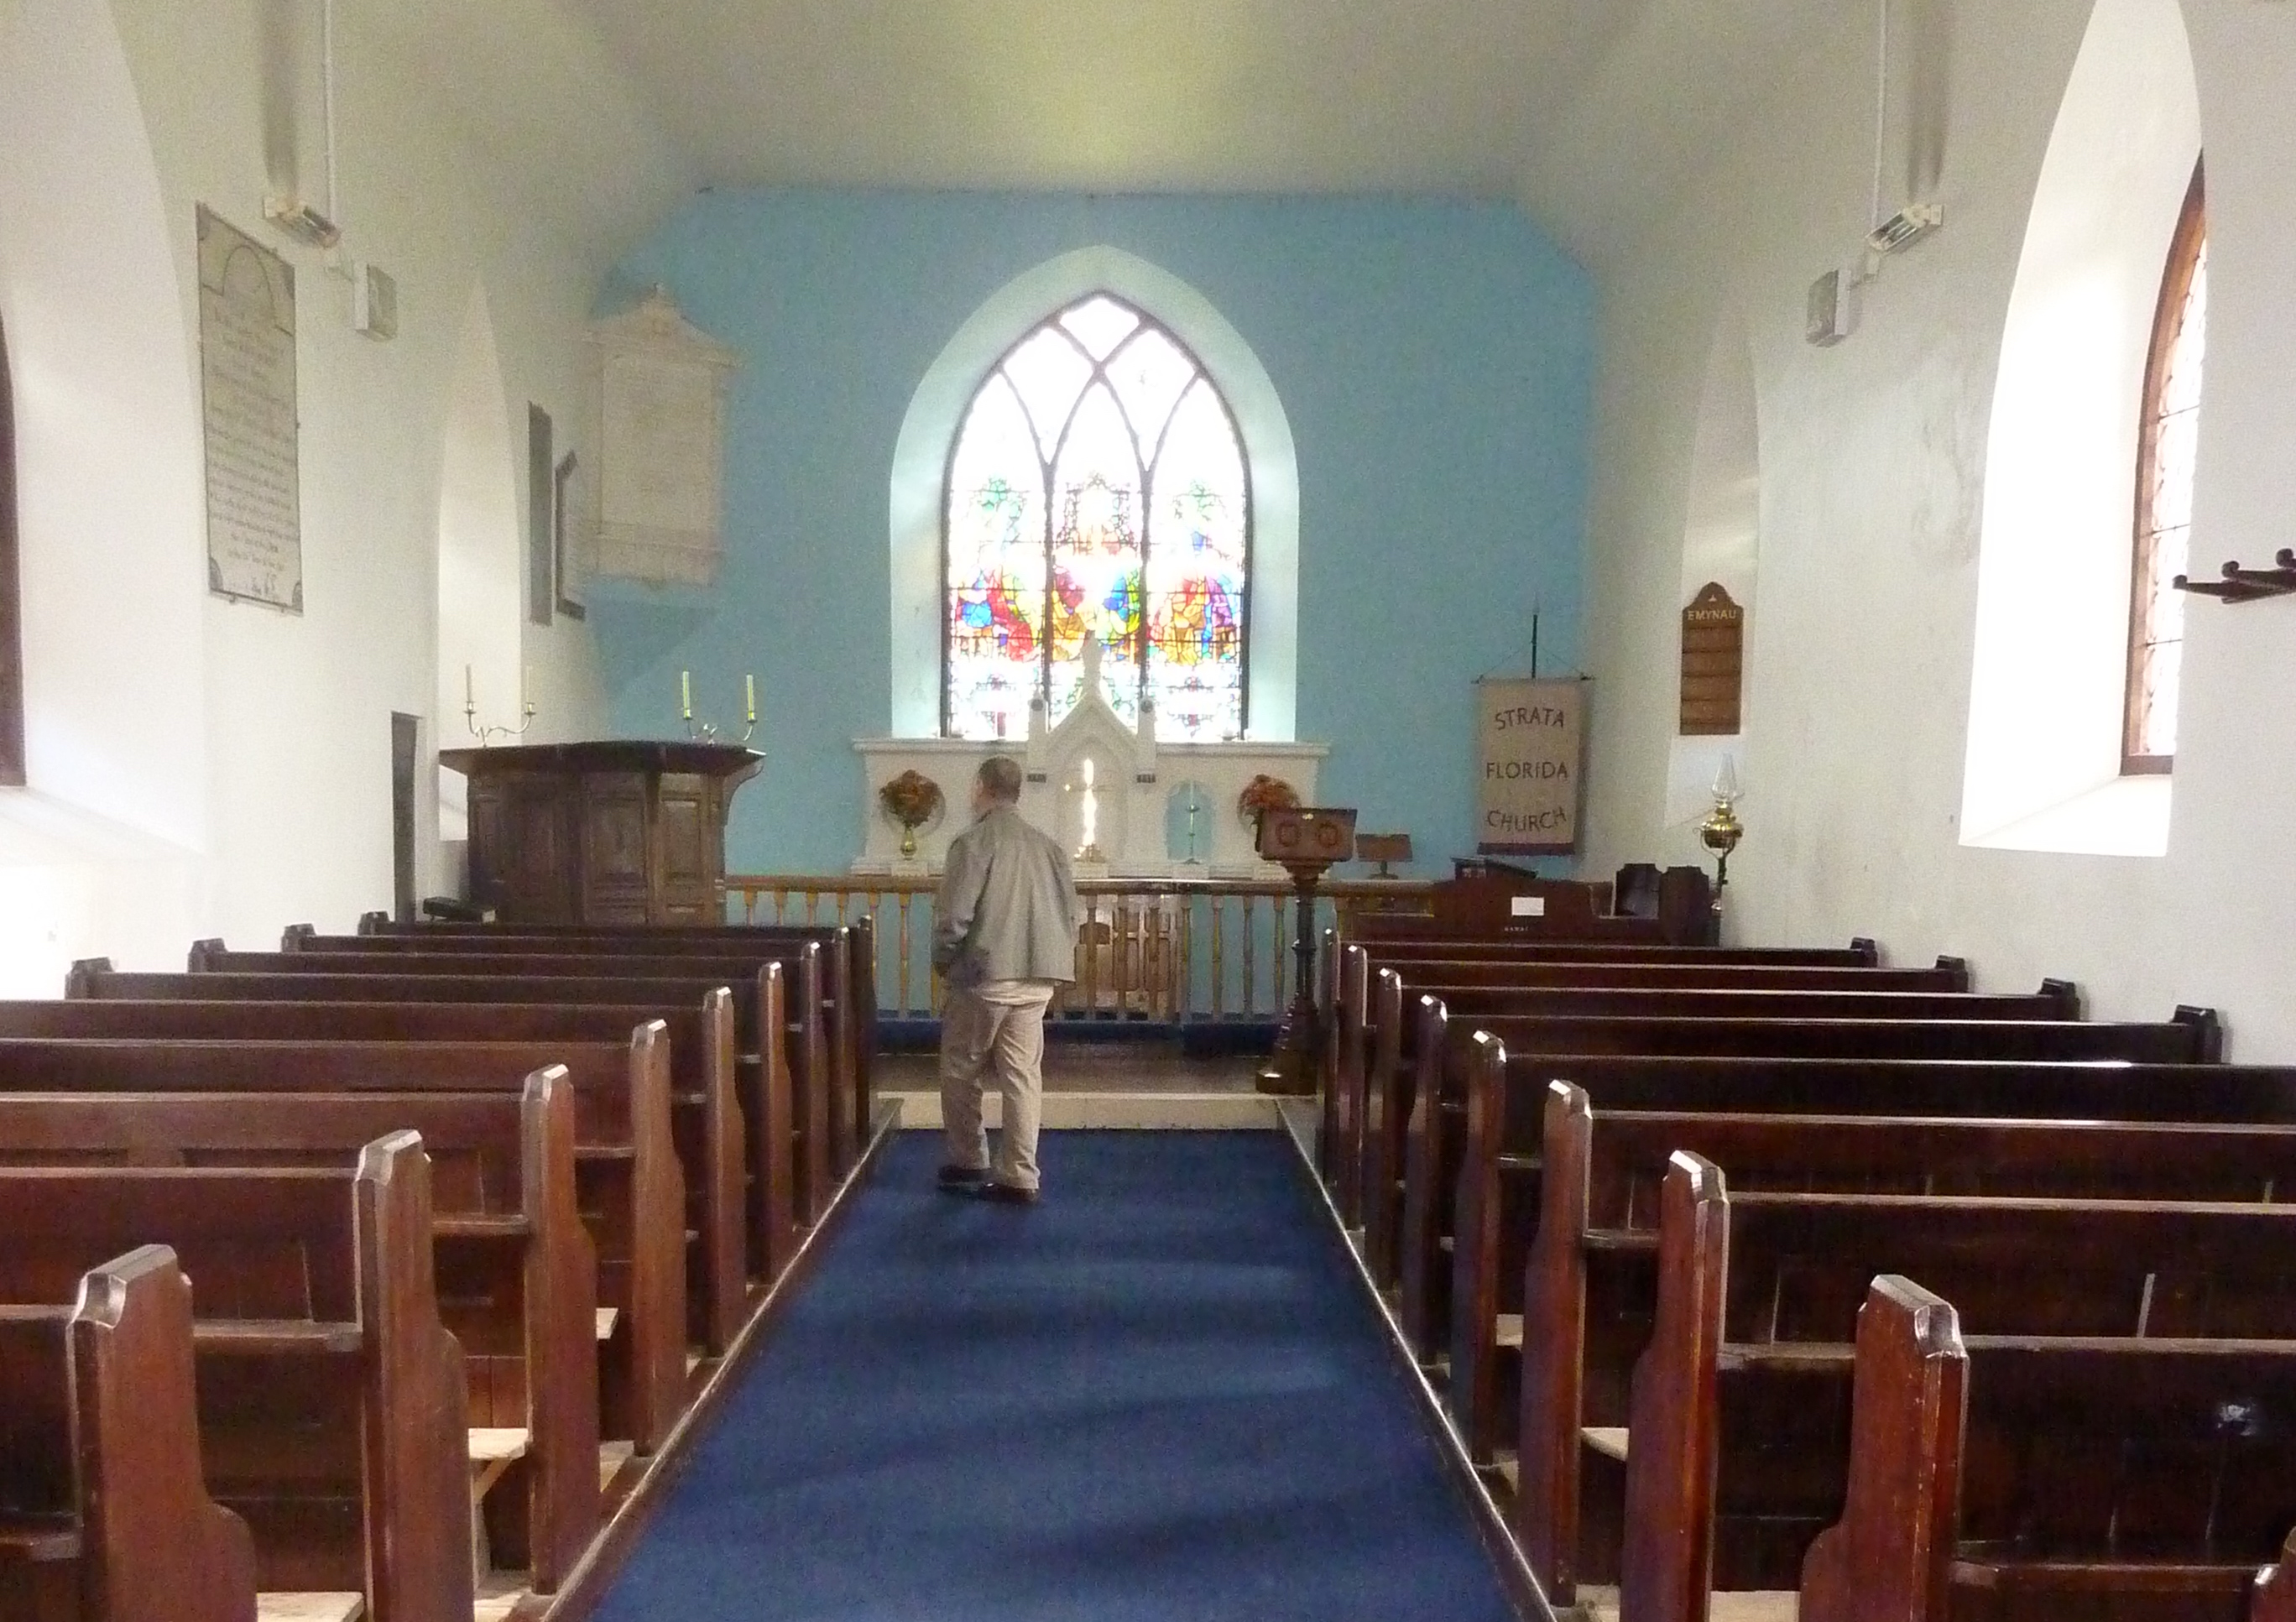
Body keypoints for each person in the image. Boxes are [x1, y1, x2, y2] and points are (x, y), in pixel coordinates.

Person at [932, 754, 1080, 1203]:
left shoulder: (974, 843)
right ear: (1018, 792)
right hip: (1038, 976)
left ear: (980, 787)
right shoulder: (1048, 846)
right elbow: (1069, 915)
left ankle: (969, 1159)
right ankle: (1020, 1173)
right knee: (1022, 1075)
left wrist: (943, 960)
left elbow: (955, 916)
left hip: (985, 975)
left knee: (962, 1067)